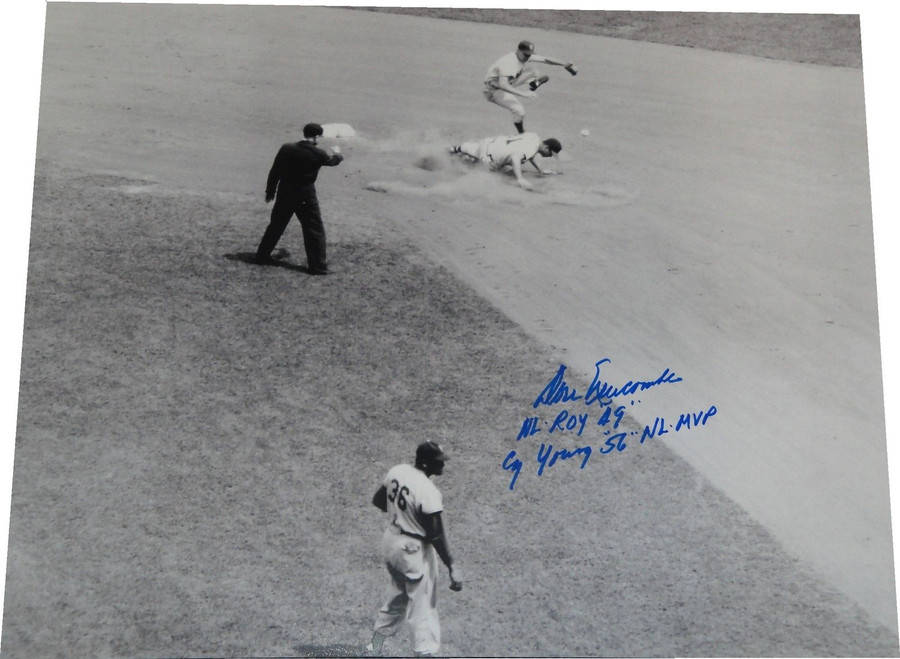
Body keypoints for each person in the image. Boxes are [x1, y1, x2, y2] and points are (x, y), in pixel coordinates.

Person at [366, 442, 463, 657]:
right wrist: (452, 565)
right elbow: (435, 535)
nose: (443, 466)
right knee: (422, 606)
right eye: (439, 462)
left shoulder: (397, 471)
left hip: (391, 542)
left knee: (397, 596)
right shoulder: (428, 491)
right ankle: (424, 654)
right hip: (413, 551)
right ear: (427, 463)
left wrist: (401, 514)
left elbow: (378, 500)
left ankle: (374, 648)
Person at [254, 123, 343, 274]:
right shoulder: (318, 153)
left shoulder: (286, 148)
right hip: (305, 195)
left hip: (285, 192)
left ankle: (262, 256)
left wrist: (270, 192)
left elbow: (275, 171)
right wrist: (337, 153)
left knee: (276, 225)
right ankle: (317, 266)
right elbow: (332, 162)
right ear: (316, 136)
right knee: (314, 229)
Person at [483, 39, 577, 134]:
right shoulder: (508, 63)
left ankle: (534, 83)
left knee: (532, 70)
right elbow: (503, 85)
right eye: (526, 54)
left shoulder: (523, 56)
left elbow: (546, 59)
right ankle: (522, 134)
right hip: (494, 91)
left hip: (509, 82)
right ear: (519, 51)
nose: (527, 57)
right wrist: (523, 94)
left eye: (529, 55)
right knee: (520, 111)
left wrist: (564, 64)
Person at [451, 132, 562, 190]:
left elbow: (530, 154)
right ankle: (464, 162)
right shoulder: (530, 150)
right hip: (489, 157)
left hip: (490, 143)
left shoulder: (534, 137)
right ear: (546, 148)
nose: (549, 157)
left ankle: (455, 150)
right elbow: (515, 157)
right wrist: (520, 179)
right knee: (497, 173)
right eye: (550, 154)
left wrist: (540, 169)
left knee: (470, 149)